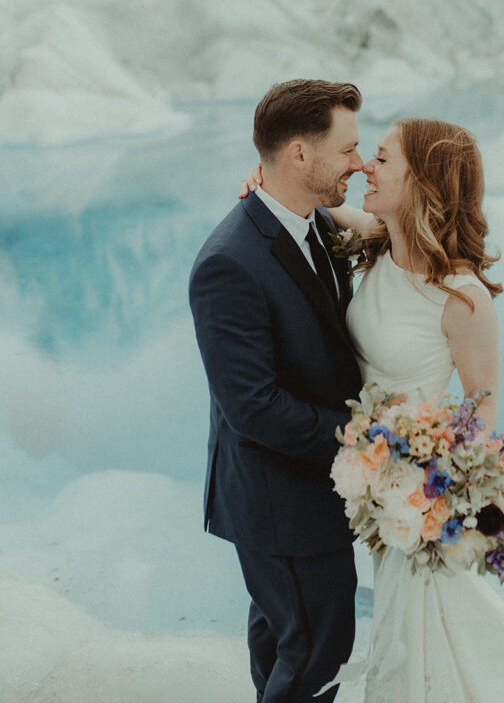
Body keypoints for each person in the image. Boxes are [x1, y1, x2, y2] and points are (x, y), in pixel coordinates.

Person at [243, 117, 504, 703]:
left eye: (382, 159)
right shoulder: (379, 239)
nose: (367, 166)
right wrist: (265, 183)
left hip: (412, 496)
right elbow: (304, 212)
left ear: (422, 182)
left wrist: (435, 497)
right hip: (363, 480)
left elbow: (483, 410)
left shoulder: (462, 297)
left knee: (413, 641)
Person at [189, 79, 364, 703]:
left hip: (305, 493)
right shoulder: (228, 263)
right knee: (317, 654)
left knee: (283, 647)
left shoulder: (314, 224)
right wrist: (365, 440)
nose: (360, 162)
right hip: (280, 502)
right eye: (348, 150)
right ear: (298, 155)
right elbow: (252, 407)